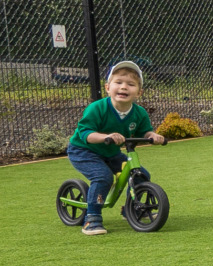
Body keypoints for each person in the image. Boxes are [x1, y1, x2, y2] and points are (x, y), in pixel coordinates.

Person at [67, 60, 165, 235]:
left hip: (111, 153)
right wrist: (107, 136)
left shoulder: (139, 113)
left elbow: (144, 132)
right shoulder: (97, 108)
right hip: (83, 151)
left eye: (131, 84)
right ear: (107, 87)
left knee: (141, 174)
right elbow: (86, 134)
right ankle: (92, 218)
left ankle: (130, 209)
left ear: (139, 92)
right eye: (118, 82)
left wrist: (153, 136)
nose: (124, 87)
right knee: (103, 177)